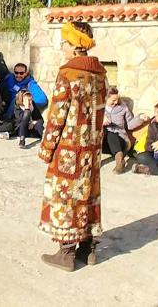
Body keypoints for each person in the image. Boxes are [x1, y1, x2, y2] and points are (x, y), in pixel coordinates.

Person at [38, 21, 107, 271]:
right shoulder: (101, 75)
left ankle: (66, 253)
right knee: (87, 194)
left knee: (66, 197)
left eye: (65, 43)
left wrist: (46, 148)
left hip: (68, 148)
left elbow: (57, 116)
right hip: (91, 149)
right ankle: (87, 250)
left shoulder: (68, 74)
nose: (62, 47)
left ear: (76, 45)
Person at [101, 87, 139, 173]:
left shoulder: (123, 107)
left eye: (117, 100)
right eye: (113, 100)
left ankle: (120, 161)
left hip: (119, 140)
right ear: (105, 98)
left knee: (111, 132)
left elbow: (130, 124)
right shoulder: (99, 108)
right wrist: (101, 120)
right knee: (105, 131)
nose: (116, 102)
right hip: (104, 143)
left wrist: (140, 118)